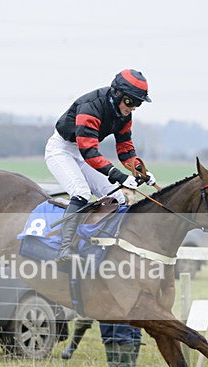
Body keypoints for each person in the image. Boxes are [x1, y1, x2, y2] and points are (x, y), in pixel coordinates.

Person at [45, 69, 155, 261]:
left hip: (84, 152)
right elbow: (89, 152)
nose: (134, 107)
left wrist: (140, 171)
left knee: (119, 198)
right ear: (117, 93)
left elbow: (125, 149)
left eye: (138, 103)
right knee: (81, 192)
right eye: (131, 101)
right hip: (62, 150)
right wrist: (121, 177)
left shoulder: (124, 114)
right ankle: (64, 249)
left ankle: (112, 247)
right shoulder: (91, 107)